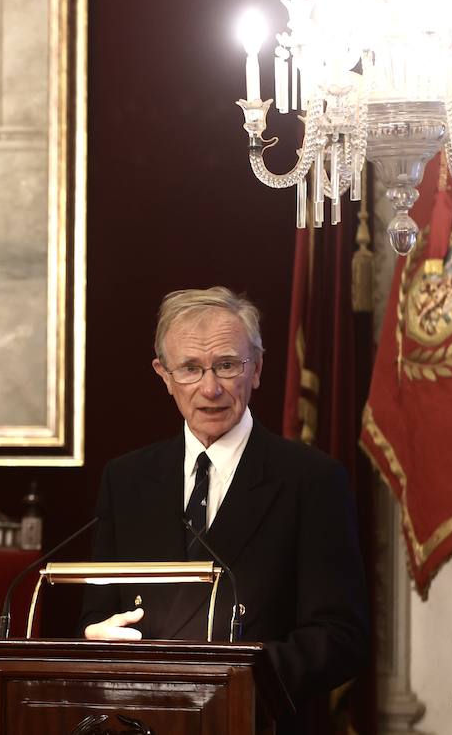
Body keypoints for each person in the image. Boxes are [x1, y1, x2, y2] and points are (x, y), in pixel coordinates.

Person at [80, 287, 369, 733]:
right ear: (164, 375)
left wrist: (240, 677)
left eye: (227, 365)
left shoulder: (311, 479)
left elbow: (341, 636)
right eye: (191, 369)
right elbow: (95, 618)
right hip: (142, 722)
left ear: (256, 370)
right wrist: (98, 642)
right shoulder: (126, 479)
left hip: (258, 720)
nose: (210, 388)